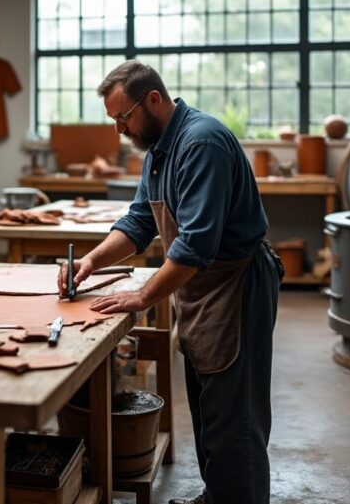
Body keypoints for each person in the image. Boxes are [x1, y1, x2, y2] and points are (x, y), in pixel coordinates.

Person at [57, 61, 283, 504]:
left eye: (124, 117)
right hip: (202, 288)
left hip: (235, 285)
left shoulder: (202, 142)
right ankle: (218, 494)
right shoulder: (159, 148)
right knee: (208, 407)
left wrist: (141, 296)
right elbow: (140, 222)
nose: (120, 129)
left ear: (154, 100)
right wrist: (91, 261)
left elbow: (196, 245)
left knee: (234, 417)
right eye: (115, 120)